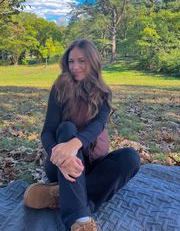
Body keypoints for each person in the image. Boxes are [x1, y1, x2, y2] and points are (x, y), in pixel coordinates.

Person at [23, 39, 140, 231]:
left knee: (130, 157)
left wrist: (75, 144)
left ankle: (61, 195)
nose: (75, 66)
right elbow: (48, 131)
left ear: (92, 62)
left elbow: (98, 125)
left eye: (81, 61)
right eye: (71, 61)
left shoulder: (103, 93)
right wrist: (63, 154)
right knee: (67, 127)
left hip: (93, 165)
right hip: (60, 165)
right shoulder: (60, 88)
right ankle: (81, 221)